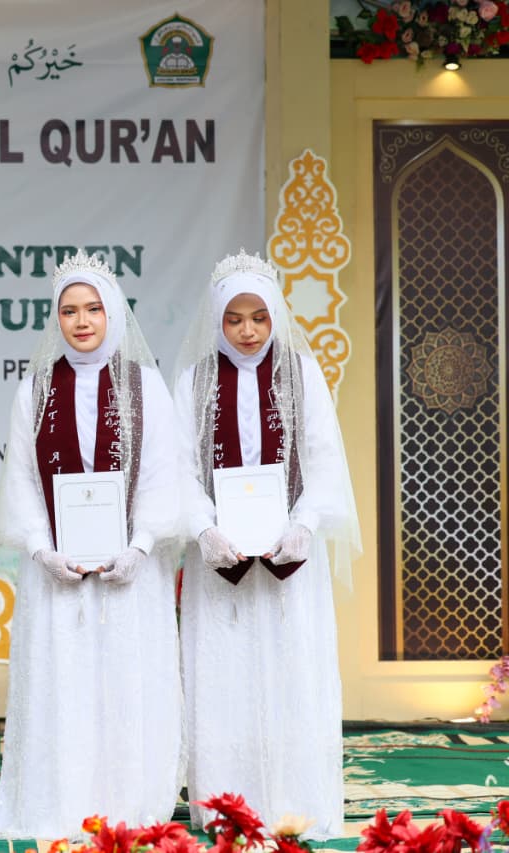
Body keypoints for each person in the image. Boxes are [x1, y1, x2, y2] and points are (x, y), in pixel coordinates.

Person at [0, 251, 183, 839]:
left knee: (126, 680)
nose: (81, 321)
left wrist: (141, 545)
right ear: (56, 318)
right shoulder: (36, 389)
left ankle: (129, 803)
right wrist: (41, 549)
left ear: (113, 312)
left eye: (93, 308)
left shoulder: (145, 385)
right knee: (63, 684)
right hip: (57, 574)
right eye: (68, 310)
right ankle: (63, 800)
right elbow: (21, 477)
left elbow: (162, 470)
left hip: (132, 572)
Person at [174, 250, 360, 839]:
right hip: (219, 564)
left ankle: (295, 802)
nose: (248, 331)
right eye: (234, 319)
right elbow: (177, 470)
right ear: (217, 320)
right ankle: (227, 806)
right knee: (223, 679)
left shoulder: (301, 374)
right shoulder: (194, 380)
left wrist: (304, 522)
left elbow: (324, 459)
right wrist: (204, 528)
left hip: (290, 560)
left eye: (259, 317)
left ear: (275, 315)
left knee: (291, 673)